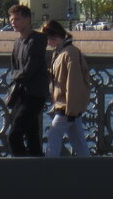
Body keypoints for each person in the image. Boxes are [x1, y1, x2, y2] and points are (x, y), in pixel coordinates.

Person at [42, 20, 92, 158]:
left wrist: (71, 110)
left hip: (67, 107)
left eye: (47, 39)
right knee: (79, 143)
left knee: (53, 135)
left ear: (53, 36)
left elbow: (73, 82)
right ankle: (92, 171)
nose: (46, 43)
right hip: (69, 106)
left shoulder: (69, 53)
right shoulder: (61, 51)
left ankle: (48, 170)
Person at [7, 4, 50, 156]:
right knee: (32, 136)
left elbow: (29, 69)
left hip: (34, 95)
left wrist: (17, 75)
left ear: (27, 19)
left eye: (17, 19)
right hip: (21, 95)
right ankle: (36, 168)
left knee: (14, 135)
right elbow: (14, 69)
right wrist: (17, 78)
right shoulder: (18, 42)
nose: (13, 22)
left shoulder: (37, 40)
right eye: (11, 19)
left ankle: (22, 168)